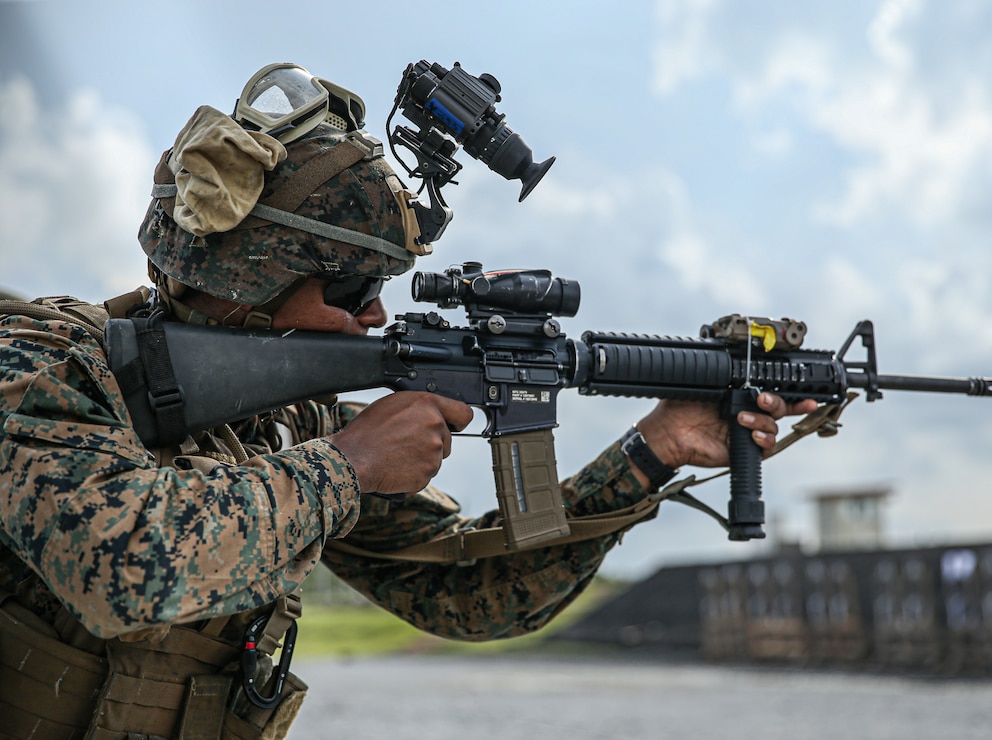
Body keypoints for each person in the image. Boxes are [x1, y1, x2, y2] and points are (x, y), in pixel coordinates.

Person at [0, 63, 817, 739]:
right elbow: (122, 567)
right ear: (246, 281)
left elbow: (471, 595)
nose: (374, 318)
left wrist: (654, 451)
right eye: (353, 287)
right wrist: (348, 468)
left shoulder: (285, 425)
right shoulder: (40, 368)